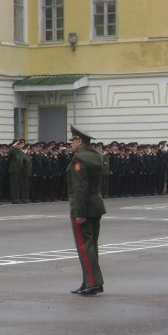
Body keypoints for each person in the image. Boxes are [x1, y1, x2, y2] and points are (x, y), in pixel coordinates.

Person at [67, 125, 106, 295]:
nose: (71, 144)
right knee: (92, 246)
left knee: (85, 247)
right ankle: (89, 281)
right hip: (96, 205)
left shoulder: (79, 160)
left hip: (84, 208)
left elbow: (80, 188)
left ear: (80, 142)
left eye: (73, 140)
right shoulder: (96, 155)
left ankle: (93, 283)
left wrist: (79, 213)